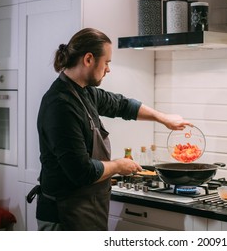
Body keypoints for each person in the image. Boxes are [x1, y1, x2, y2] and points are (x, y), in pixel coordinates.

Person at [35, 28, 190, 231]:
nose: (108, 69)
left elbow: (121, 105)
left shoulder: (85, 92)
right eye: (107, 62)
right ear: (89, 59)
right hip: (63, 216)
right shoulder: (60, 105)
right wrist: (118, 166)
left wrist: (162, 118)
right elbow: (82, 172)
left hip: (87, 212)